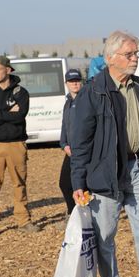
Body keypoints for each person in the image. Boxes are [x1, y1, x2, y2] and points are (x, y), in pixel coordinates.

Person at [70, 31, 139, 277]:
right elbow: (80, 142)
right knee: (104, 236)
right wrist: (78, 181)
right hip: (105, 174)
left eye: (136, 53)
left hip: (137, 168)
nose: (135, 58)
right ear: (110, 58)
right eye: (129, 54)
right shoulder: (93, 92)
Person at [0, 56, 40, 237]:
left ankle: (23, 220)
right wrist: (6, 114)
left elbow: (19, 116)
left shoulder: (21, 93)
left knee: (19, 183)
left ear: (8, 70)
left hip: (16, 144)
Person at [58, 68, 83, 217]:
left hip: (83, 151)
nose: (75, 84)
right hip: (70, 150)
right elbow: (64, 126)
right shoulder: (68, 102)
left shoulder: (86, 100)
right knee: (64, 183)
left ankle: (84, 216)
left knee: (81, 185)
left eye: (77, 80)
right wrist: (64, 144)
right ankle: (73, 214)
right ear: (66, 83)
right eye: (71, 81)